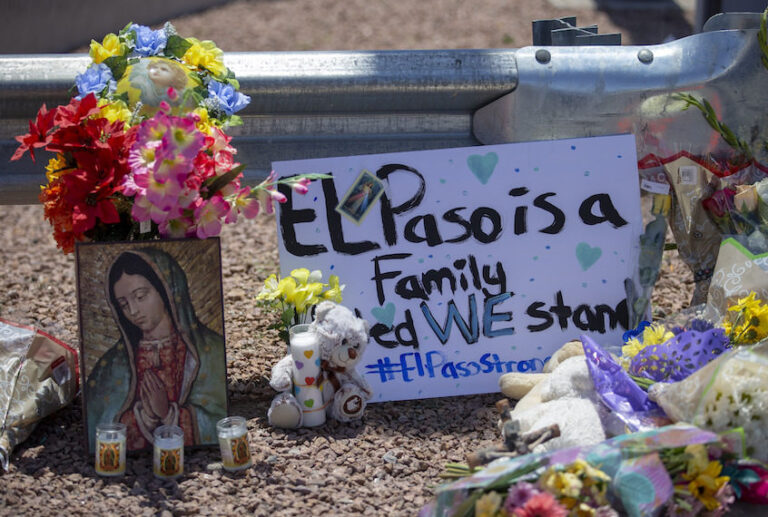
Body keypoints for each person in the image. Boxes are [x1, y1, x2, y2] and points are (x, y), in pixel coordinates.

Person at [85, 247, 226, 452]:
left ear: (166, 290)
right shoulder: (111, 366)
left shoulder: (211, 351)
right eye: (123, 304)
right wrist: (146, 417)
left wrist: (170, 414)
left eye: (140, 296)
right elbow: (100, 429)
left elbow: (221, 420)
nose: (133, 311)